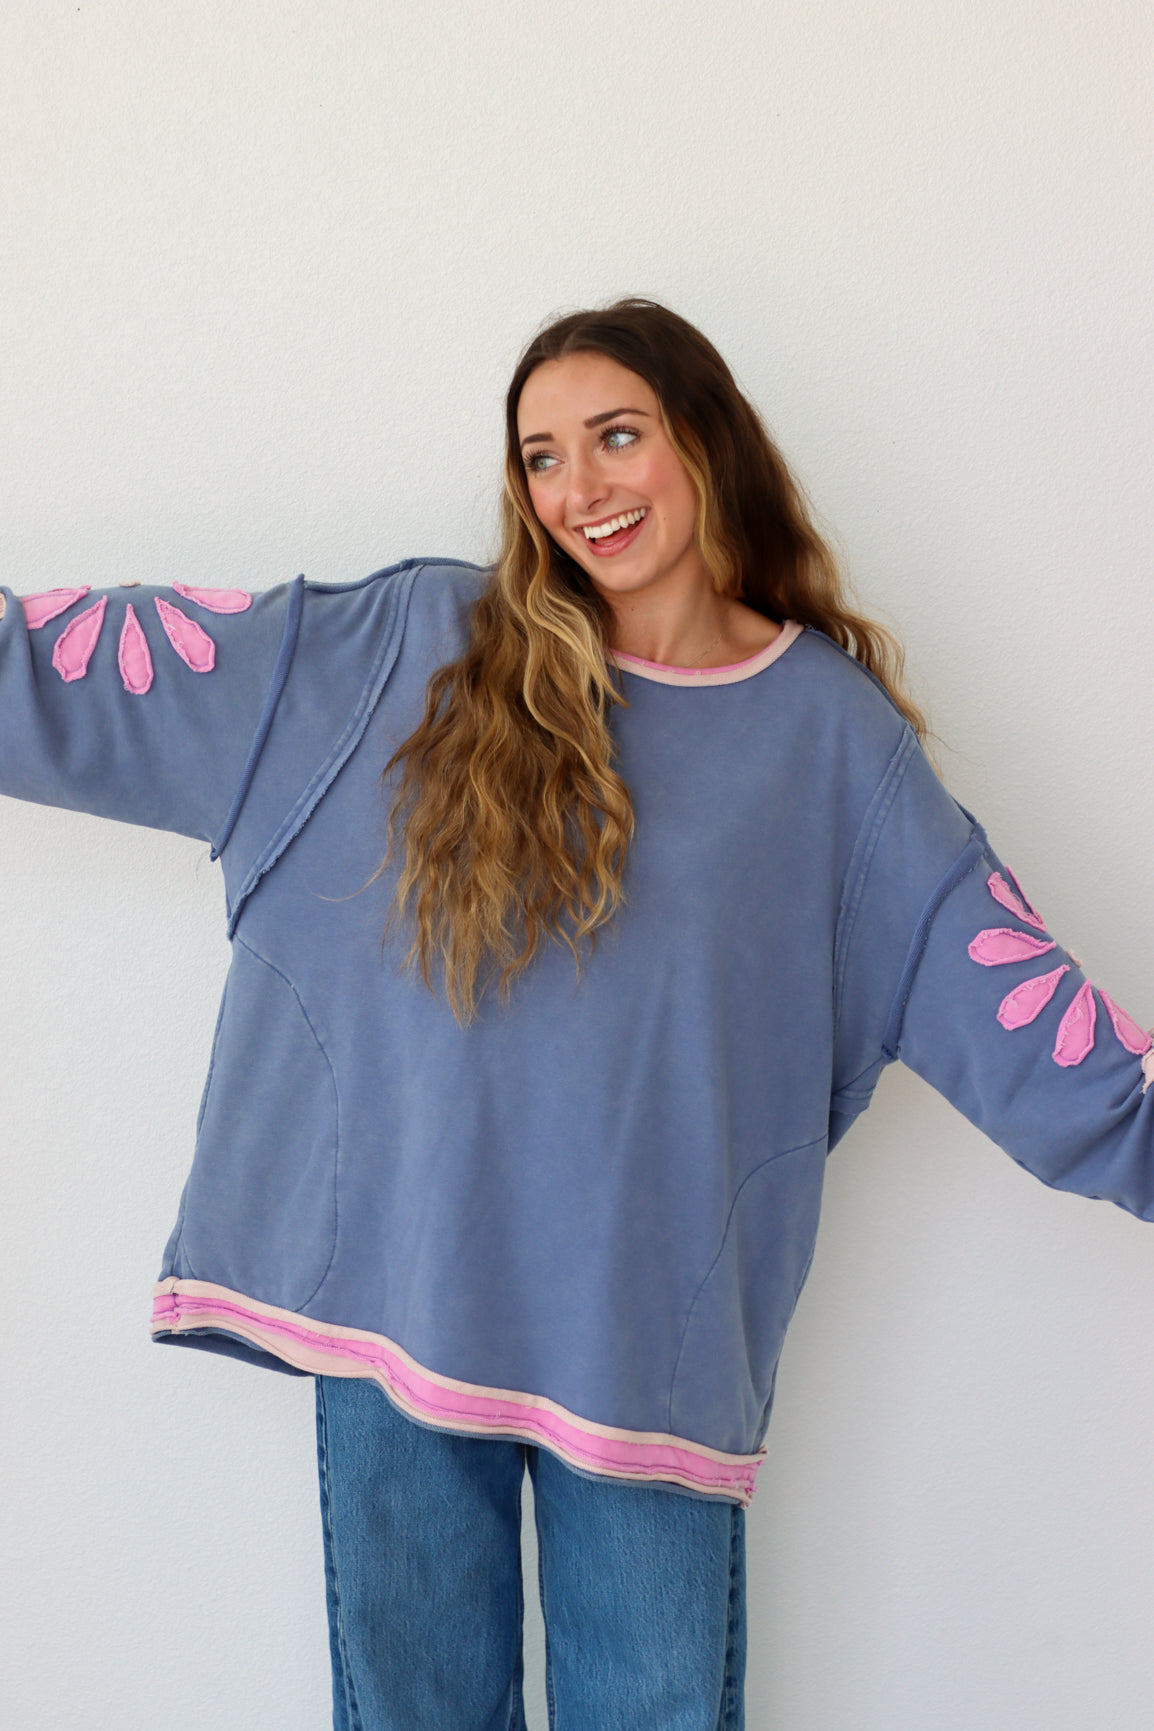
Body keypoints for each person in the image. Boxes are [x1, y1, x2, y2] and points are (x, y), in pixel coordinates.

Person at [2, 299, 1151, 1731]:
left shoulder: (828, 743)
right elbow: (79, 674)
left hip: (642, 1353)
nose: (580, 489)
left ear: (706, 446)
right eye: (542, 457)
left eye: (616, 437)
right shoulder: (401, 649)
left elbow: (1025, 1018)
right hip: (398, 1318)